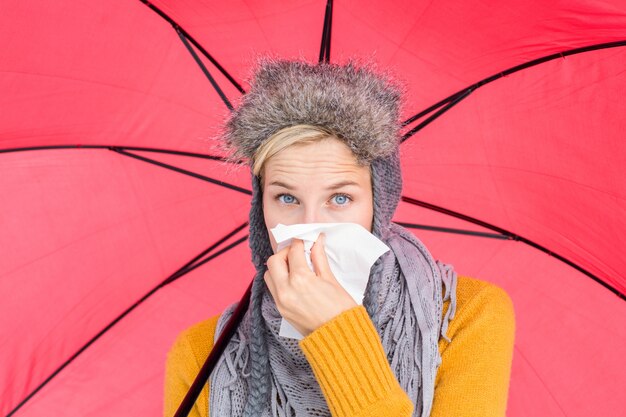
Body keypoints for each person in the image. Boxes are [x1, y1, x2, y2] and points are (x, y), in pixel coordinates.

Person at [164, 59, 515, 417]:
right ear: (260, 211)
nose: (312, 227)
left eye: (340, 198)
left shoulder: (464, 317)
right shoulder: (202, 355)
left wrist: (336, 333)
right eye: (287, 198)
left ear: (378, 204)